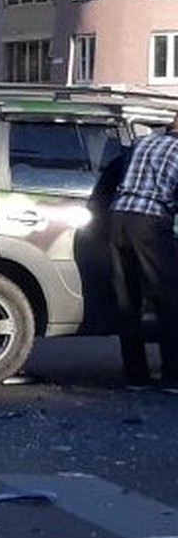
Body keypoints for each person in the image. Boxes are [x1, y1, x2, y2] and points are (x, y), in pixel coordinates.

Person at [108, 112, 178, 391]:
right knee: (169, 301)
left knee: (128, 302)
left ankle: (135, 376)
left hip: (116, 220)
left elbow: (111, 176)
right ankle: (173, 377)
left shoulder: (142, 142)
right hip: (149, 224)